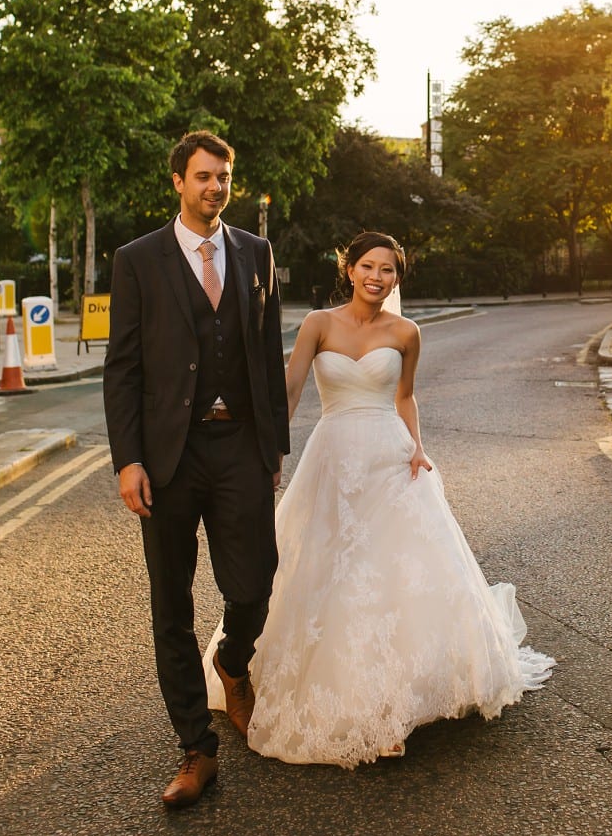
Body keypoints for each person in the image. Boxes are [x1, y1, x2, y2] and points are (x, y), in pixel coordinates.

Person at [204, 230, 553, 767]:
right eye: (367, 266)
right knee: (331, 572)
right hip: (333, 457)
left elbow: (405, 395)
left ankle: (393, 708)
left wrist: (418, 447)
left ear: (397, 278)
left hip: (389, 459)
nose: (376, 276)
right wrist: (269, 451)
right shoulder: (319, 324)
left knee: (387, 577)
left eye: (387, 269)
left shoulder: (407, 332)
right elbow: (291, 388)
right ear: (350, 269)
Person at [104, 131, 289, 808]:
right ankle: (195, 749)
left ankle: (232, 660)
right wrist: (128, 459)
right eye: (203, 177)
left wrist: (274, 447)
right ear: (178, 182)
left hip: (239, 443)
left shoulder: (255, 253)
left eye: (223, 177)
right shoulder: (138, 261)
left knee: (256, 581)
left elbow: (267, 355)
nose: (215, 187)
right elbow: (122, 367)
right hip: (167, 456)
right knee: (170, 606)